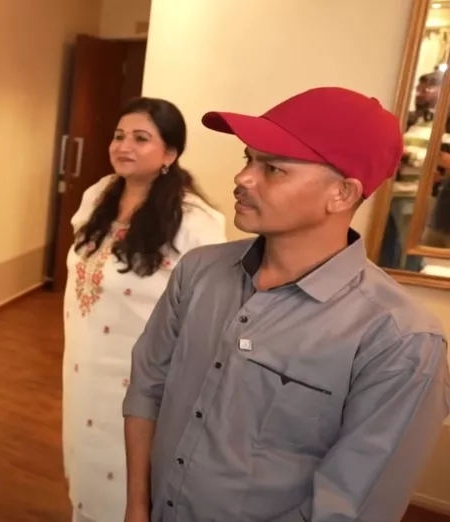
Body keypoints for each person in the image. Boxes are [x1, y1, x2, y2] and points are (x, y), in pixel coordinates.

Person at [122, 86, 450, 522]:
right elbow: (147, 386)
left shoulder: (400, 341)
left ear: (342, 194)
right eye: (248, 159)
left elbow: (349, 506)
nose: (243, 178)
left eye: (273, 168)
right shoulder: (199, 272)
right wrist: (137, 506)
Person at [62, 97, 225, 522]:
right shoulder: (98, 196)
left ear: (170, 153)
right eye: (118, 136)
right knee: (84, 474)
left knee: (129, 487)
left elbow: (209, 312)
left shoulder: (194, 221)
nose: (123, 146)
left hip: (142, 382)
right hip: (83, 371)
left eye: (140, 138)